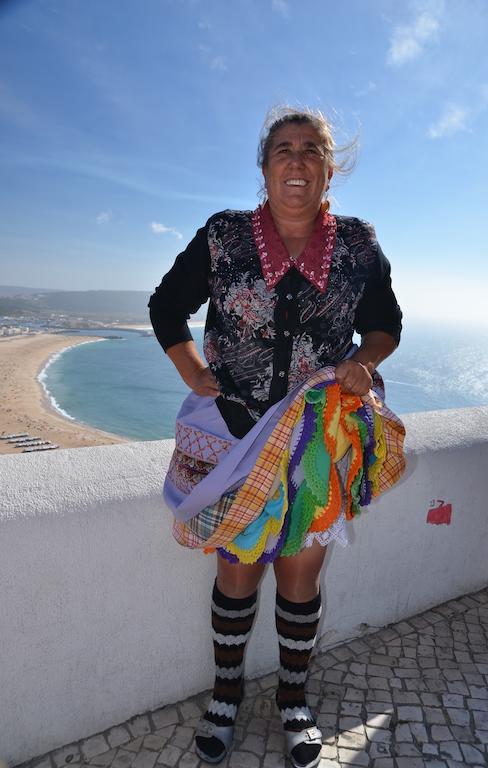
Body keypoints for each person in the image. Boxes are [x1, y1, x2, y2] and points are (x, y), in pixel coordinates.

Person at [149, 107, 404, 768]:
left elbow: (384, 325)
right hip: (234, 435)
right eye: (283, 150)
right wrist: (193, 371)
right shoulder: (223, 236)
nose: (296, 161)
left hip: (317, 442)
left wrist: (364, 363)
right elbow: (164, 305)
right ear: (263, 167)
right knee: (236, 574)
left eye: (311, 149)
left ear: (329, 166)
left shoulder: (358, 244)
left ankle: (294, 701)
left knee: (299, 576)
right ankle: (225, 698)